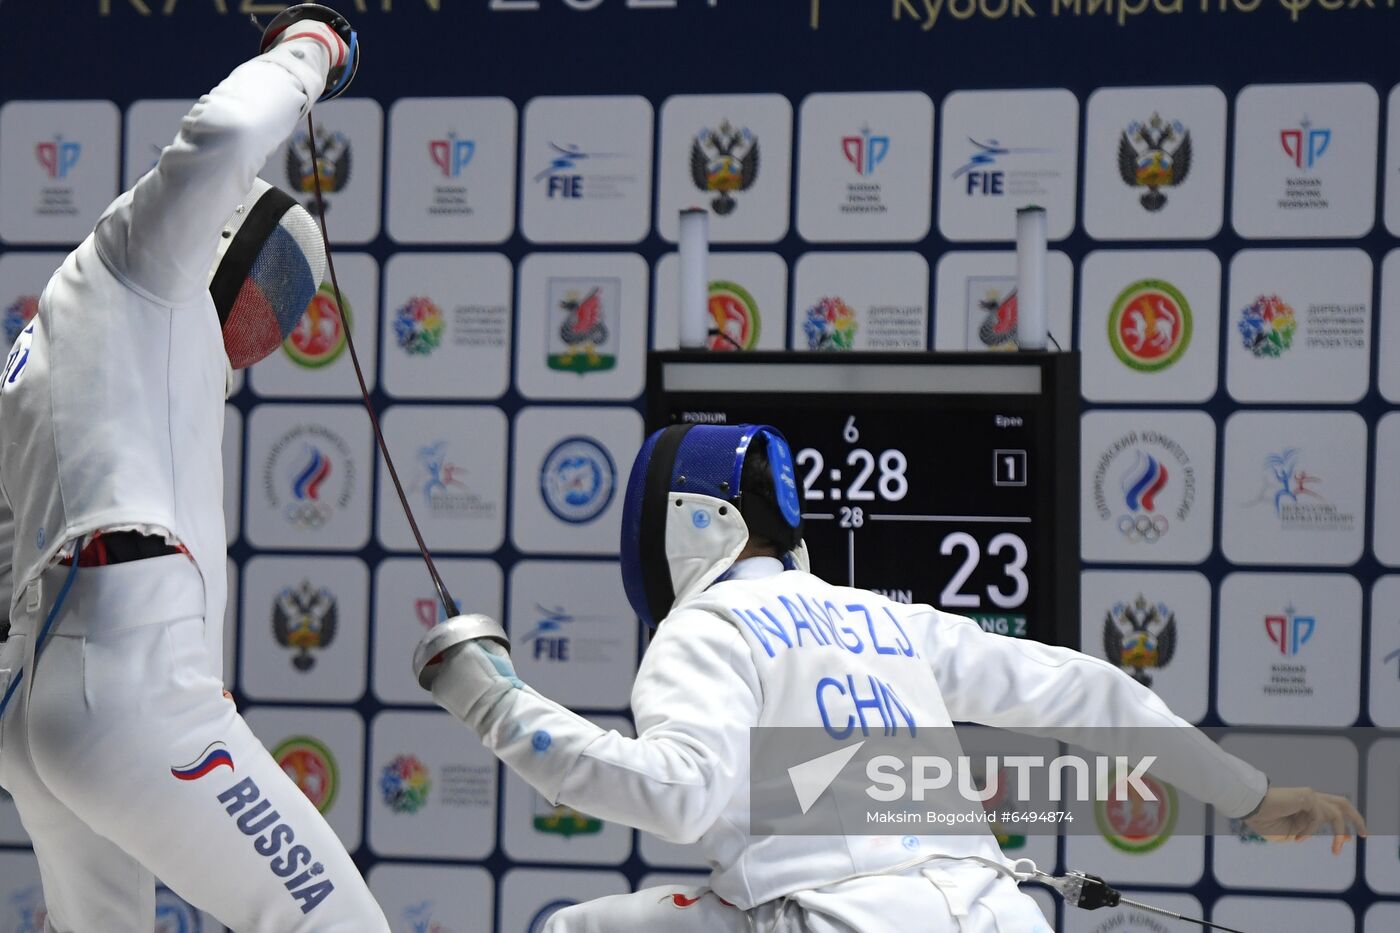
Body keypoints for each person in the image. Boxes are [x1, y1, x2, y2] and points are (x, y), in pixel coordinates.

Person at [415, 423, 1367, 932]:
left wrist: (498, 704)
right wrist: (1249, 793)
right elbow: (1087, 688)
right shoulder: (882, 617)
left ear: (687, 520)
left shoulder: (707, 626)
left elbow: (679, 795)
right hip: (999, 913)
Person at [0, 10, 389, 931]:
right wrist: (311, 46)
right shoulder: (139, 265)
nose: (267, 319)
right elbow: (221, 135)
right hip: (125, 678)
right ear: (212, 239)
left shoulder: (53, 351)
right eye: (270, 286)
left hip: (35, 702)